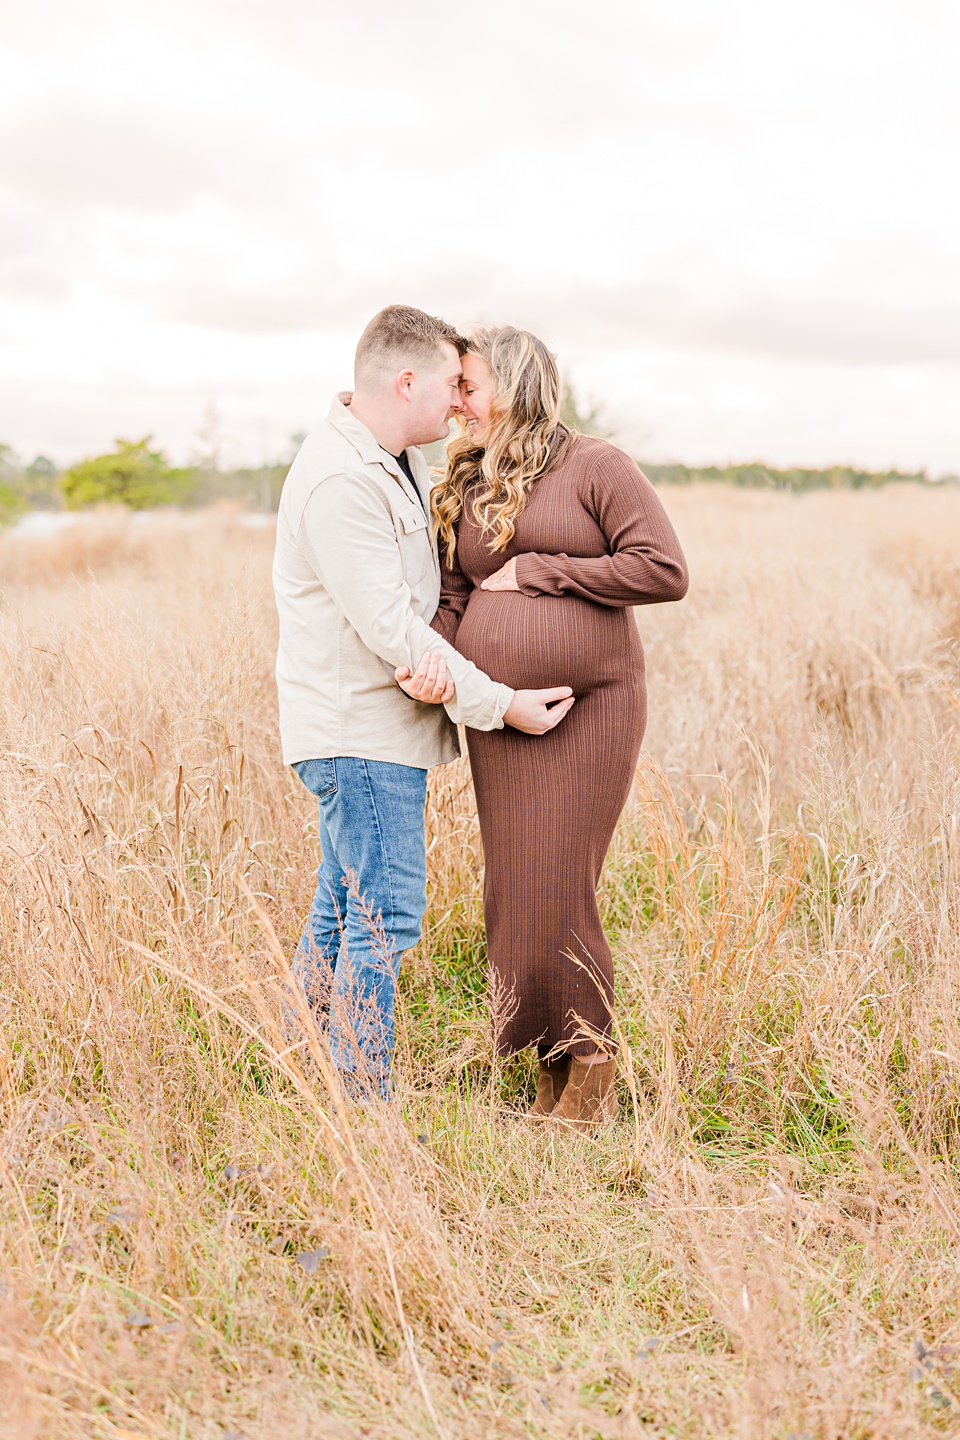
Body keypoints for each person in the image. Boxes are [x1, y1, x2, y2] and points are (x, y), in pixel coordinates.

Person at [272, 305, 574, 1097]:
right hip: (360, 738)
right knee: (388, 917)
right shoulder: (342, 479)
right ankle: (363, 1100)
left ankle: (298, 1068)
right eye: (451, 383)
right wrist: (503, 703)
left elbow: (415, 609)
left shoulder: (391, 457)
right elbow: (393, 631)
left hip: (374, 732)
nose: (459, 401)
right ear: (406, 380)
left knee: (343, 910)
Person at [430, 326, 689, 1129]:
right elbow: (454, 596)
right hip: (500, 715)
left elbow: (662, 569)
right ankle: (546, 1074)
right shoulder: (467, 480)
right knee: (515, 886)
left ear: (510, 381)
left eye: (466, 385)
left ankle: (593, 1068)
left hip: (592, 705)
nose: (456, 402)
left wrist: (541, 570)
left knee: (558, 880)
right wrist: (433, 661)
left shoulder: (596, 465)